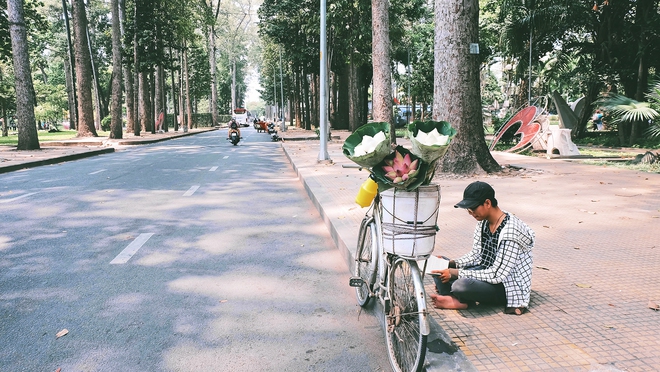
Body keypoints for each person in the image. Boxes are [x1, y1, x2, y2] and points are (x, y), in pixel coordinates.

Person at [430, 181, 535, 315]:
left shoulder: (510, 232)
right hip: (484, 273)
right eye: (468, 209)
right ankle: (455, 298)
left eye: (473, 208)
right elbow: (476, 255)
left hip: (506, 285)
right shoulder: (484, 222)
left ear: (487, 203)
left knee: (460, 285)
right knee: (439, 265)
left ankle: (458, 299)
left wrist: (456, 273)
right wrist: (451, 263)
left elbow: (497, 274)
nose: (471, 213)